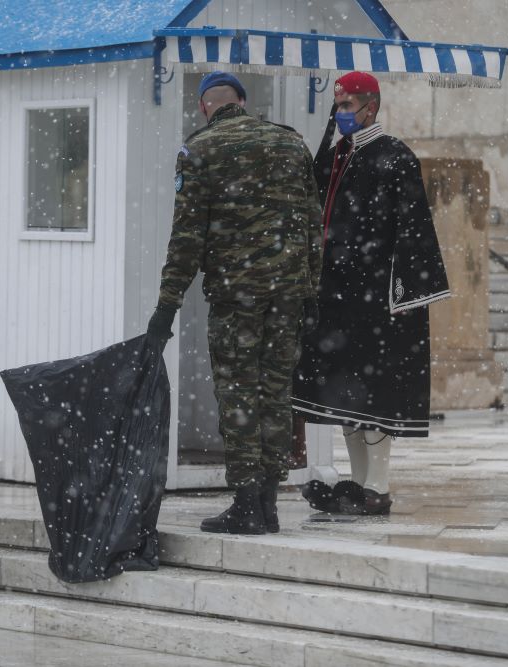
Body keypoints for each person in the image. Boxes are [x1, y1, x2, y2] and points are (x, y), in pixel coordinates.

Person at [146, 71, 322, 535]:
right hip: (288, 293)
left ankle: (246, 502)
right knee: (275, 391)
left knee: (239, 392)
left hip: (236, 295)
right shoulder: (292, 144)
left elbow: (186, 239)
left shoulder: (199, 150)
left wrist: (166, 307)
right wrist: (311, 290)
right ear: (242, 101)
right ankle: (269, 502)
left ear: (204, 107)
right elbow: (313, 224)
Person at [293, 71, 450, 515]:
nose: (341, 114)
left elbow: (413, 228)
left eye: (347, 106)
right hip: (336, 298)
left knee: (374, 395)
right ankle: (358, 483)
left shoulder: (394, 156)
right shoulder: (336, 156)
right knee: (345, 394)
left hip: (375, 299)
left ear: (370, 107)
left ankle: (377, 486)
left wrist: (402, 293)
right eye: (338, 106)